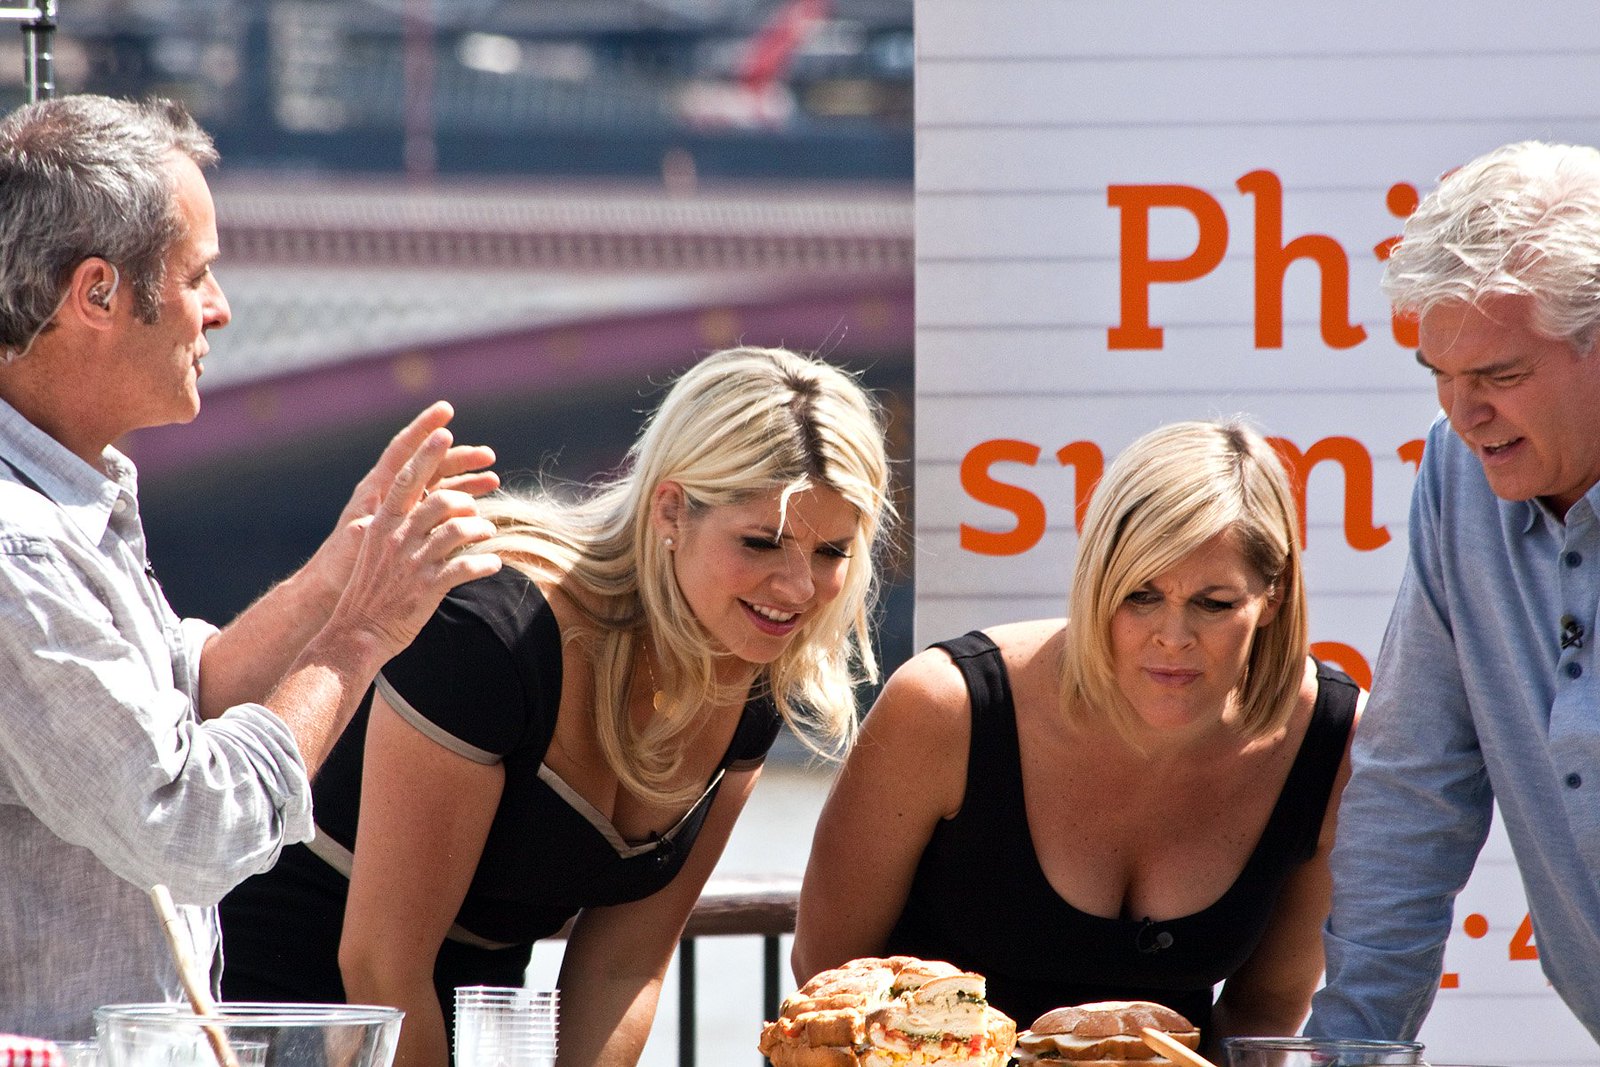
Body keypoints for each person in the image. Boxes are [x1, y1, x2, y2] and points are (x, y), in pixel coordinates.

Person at [219, 346, 895, 1067]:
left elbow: (624, 968)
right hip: (274, 1012)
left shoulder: (755, 676)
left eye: (832, 552)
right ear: (670, 509)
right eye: (761, 543)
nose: (798, 588)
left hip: (469, 1022)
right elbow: (382, 964)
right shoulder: (493, 633)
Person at [0, 94, 503, 1039]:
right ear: (97, 293)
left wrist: (340, 571)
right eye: (197, 275)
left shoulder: (63, 501)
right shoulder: (17, 546)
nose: (220, 310)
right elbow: (187, 823)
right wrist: (360, 632)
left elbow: (182, 697)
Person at [794, 420, 1358, 1052]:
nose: (1173, 637)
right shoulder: (945, 706)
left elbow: (1265, 1009)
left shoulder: (1331, 739)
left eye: (1215, 603)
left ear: (1273, 597)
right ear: (1096, 583)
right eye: (1140, 595)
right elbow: (827, 982)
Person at [1305, 141, 1600, 1041]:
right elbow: (1414, 787)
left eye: (1501, 377)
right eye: (1441, 376)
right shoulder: (1457, 471)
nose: (1465, 415)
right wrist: (1353, 1052)